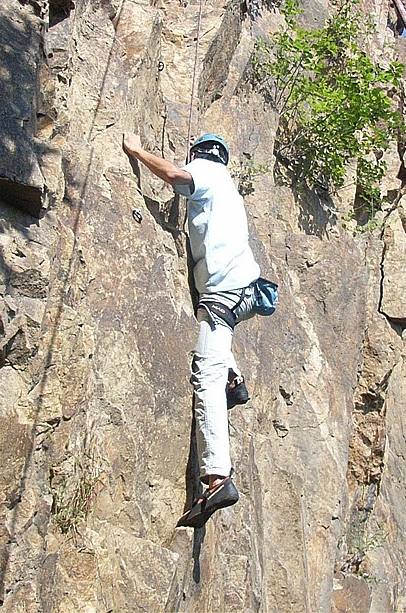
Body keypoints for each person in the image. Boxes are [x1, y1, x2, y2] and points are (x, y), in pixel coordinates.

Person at [122, 131, 266, 528]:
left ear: (201, 154)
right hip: (241, 292)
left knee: (206, 378)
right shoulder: (230, 190)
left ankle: (218, 476)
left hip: (225, 294)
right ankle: (235, 380)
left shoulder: (208, 172)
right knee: (215, 336)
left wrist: (137, 150)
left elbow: (175, 177)